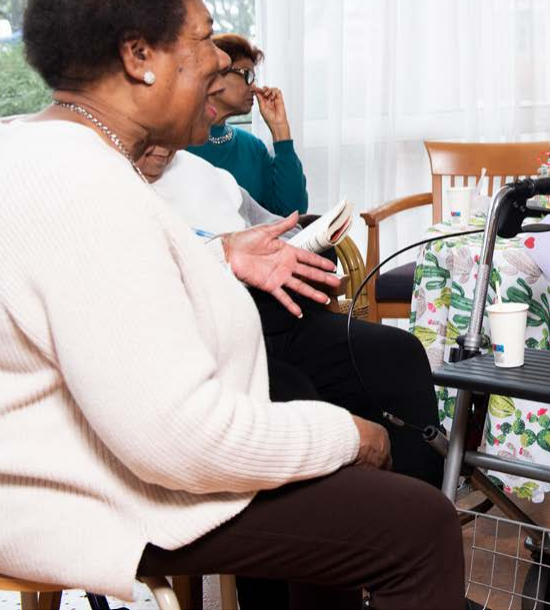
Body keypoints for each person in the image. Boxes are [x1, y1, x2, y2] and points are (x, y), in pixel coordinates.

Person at [0, 0, 464, 609]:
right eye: (202, 37)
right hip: (91, 498)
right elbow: (179, 440)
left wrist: (217, 257)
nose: (220, 59)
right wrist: (348, 435)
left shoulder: (42, 148)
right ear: (138, 57)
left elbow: (103, 300)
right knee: (417, 526)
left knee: (359, 473)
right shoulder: (84, 185)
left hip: (86, 469)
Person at [138, 146, 443, 485]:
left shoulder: (204, 172)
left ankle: (424, 499)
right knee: (294, 390)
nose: (164, 148)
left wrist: (306, 241)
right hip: (215, 335)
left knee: (398, 353)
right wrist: (223, 253)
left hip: (284, 315)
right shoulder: (116, 189)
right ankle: (357, 501)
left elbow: (277, 225)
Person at [187, 33, 309, 216]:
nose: (254, 88)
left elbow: (293, 211)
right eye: (247, 75)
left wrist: (280, 131)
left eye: (254, 79)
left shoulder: (252, 147)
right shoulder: (176, 143)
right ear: (214, 74)